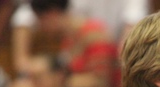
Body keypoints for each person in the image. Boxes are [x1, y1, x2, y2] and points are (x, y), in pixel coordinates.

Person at [11, 0, 150, 75]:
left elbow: (122, 48)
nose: (42, 27)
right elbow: (26, 14)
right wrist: (22, 61)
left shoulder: (92, 32)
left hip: (113, 67)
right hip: (82, 51)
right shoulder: (70, 34)